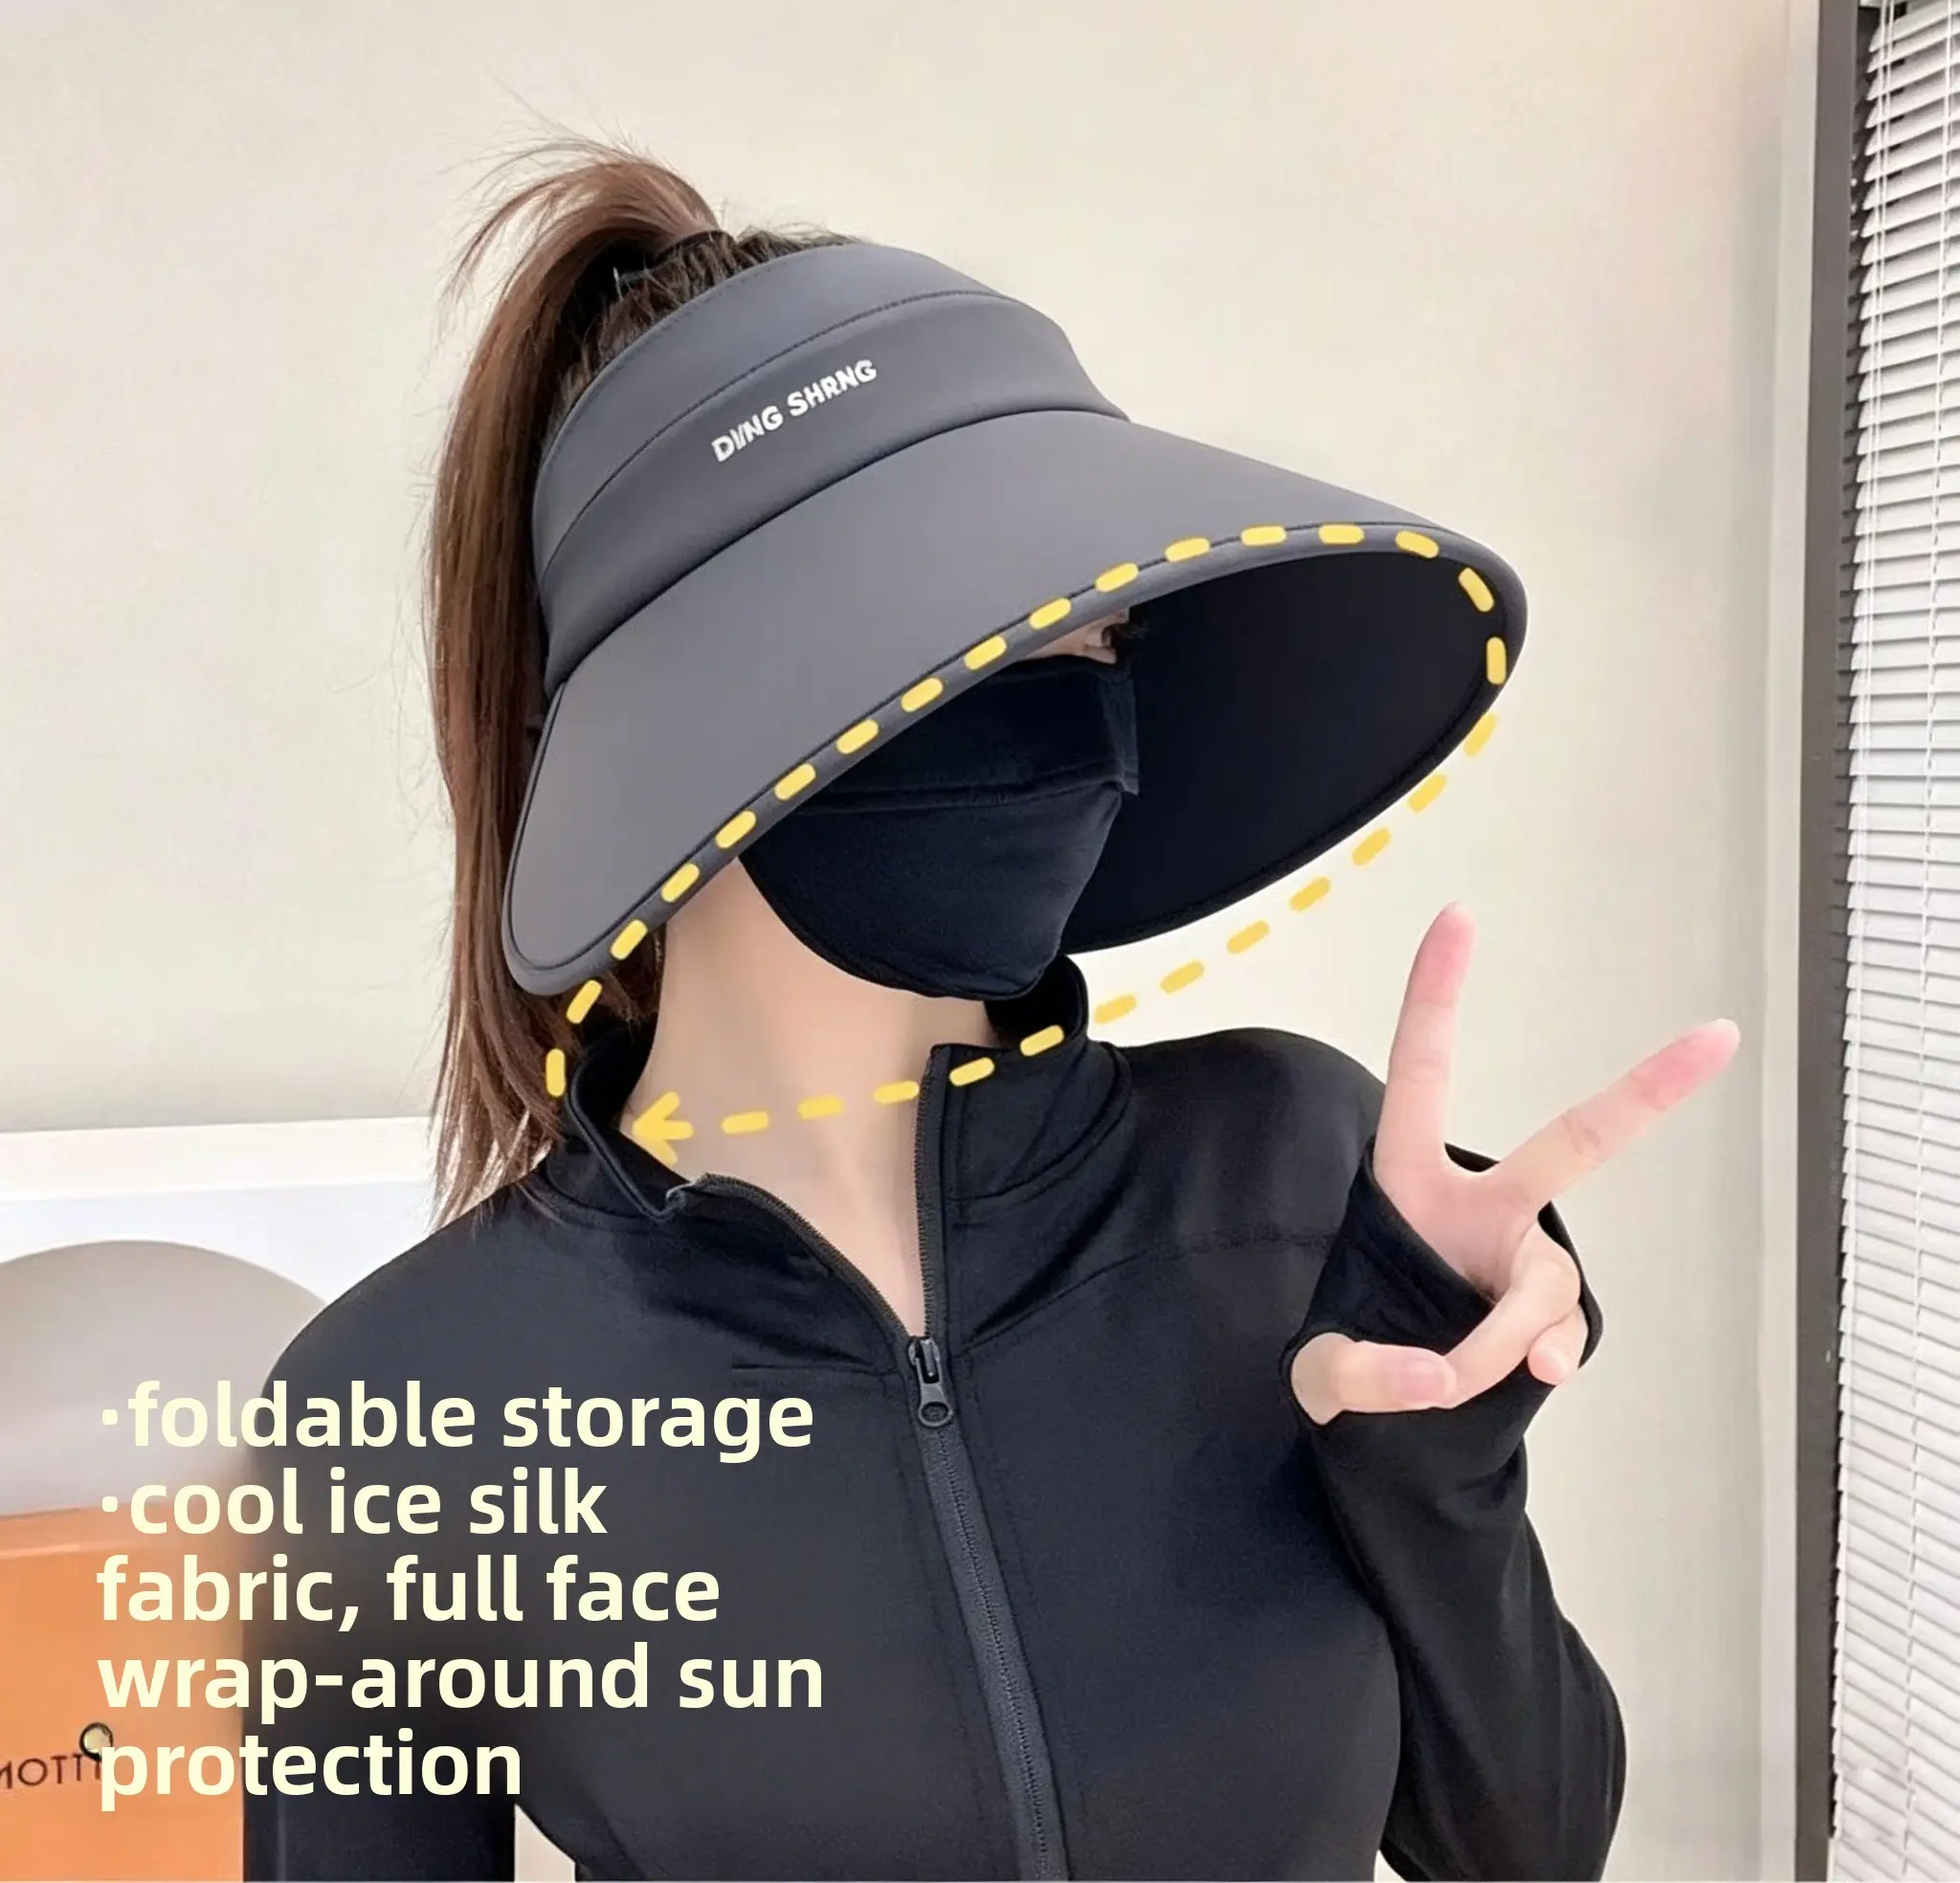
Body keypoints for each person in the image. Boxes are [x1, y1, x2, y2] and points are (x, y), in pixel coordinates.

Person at [243, 141, 1737, 1882]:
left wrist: (1440, 1464)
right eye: (969, 642)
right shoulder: (414, 1411)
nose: (1074, 722)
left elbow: (1527, 1846)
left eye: (1094, 644)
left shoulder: (1292, 1170)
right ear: (678, 710)